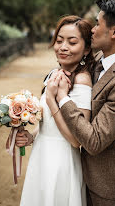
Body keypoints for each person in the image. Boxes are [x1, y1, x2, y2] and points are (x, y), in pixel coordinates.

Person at [48, 0, 115, 206]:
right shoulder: (100, 59)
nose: (92, 29)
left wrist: (62, 98)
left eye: (98, 23)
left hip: (113, 188)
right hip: (86, 177)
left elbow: (94, 141)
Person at [15, 15, 94, 206]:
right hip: (41, 155)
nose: (63, 47)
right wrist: (32, 136)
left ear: (86, 49)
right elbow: (48, 124)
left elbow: (76, 140)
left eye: (72, 42)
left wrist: (52, 99)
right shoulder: (53, 73)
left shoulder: (81, 81)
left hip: (61, 161)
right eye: (59, 41)